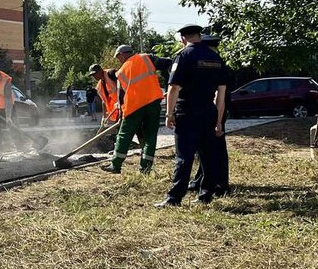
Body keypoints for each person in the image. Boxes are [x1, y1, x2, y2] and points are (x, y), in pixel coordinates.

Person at [156, 25, 230, 207]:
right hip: (209, 112)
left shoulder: (183, 56)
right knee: (208, 156)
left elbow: (173, 88)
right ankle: (205, 195)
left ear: (183, 39)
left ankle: (174, 198)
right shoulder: (216, 58)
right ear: (199, 36)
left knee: (184, 157)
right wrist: (219, 121)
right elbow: (220, 94)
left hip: (187, 112)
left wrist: (169, 113)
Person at [105, 45, 173, 175]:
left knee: (124, 135)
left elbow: (121, 98)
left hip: (134, 107)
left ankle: (115, 165)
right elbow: (168, 63)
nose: (118, 60)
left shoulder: (121, 72)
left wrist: (122, 115)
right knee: (150, 137)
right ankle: (145, 168)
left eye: (118, 57)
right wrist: (169, 84)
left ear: (122, 55)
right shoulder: (147, 58)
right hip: (153, 103)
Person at [189, 35, 233, 197]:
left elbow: (218, 96)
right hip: (215, 113)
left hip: (215, 113)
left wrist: (218, 121)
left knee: (216, 150)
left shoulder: (215, 66)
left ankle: (221, 186)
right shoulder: (218, 64)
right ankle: (200, 180)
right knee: (206, 150)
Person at [88, 64, 121, 128]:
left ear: (101, 70)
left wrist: (120, 100)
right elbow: (104, 101)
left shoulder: (111, 74)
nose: (94, 76)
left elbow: (124, 85)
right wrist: (104, 117)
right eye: (93, 75)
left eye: (95, 74)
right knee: (119, 128)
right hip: (119, 109)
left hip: (127, 104)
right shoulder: (100, 86)